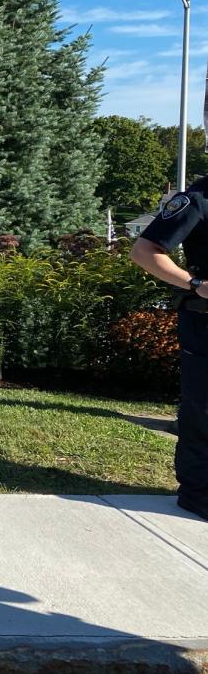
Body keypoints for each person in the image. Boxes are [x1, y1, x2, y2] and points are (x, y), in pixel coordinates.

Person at [131, 183, 208, 521]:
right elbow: (145, 251)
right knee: (204, 410)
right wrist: (195, 284)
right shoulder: (196, 199)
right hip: (204, 323)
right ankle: (198, 495)